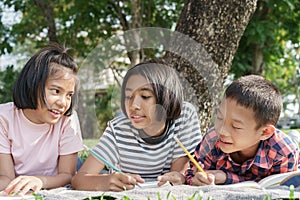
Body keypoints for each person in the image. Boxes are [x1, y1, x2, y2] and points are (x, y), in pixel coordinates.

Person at [71, 62, 202, 191]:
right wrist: (107, 180)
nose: (134, 105)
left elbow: (178, 173)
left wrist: (180, 176)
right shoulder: (118, 129)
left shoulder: (184, 116)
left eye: (145, 96)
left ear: (166, 97)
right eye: (128, 96)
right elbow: (79, 180)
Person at [184, 75, 299, 186]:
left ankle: (295, 137)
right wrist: (198, 180)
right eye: (220, 118)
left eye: (236, 126)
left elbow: (283, 189)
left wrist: (226, 177)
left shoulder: (284, 152)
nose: (222, 131)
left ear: (265, 132)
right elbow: (191, 174)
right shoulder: (212, 139)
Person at [0, 43, 83, 195]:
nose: (63, 102)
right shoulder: (4, 117)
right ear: (33, 84)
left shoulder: (67, 120)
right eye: (56, 91)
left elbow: (67, 175)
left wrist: (40, 181)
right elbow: (6, 177)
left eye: (69, 95)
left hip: (55, 177)